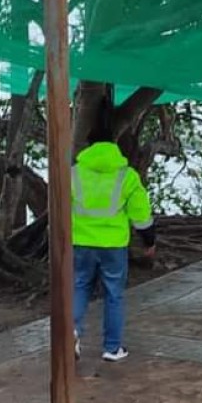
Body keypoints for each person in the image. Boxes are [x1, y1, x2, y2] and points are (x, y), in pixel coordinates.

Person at [72, 125, 156, 362]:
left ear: (89, 146)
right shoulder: (127, 175)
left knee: (79, 286)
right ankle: (112, 348)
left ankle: (72, 332)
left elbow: (60, 207)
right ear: (115, 146)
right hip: (113, 245)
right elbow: (140, 215)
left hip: (80, 242)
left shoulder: (74, 173)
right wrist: (149, 241)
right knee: (114, 294)